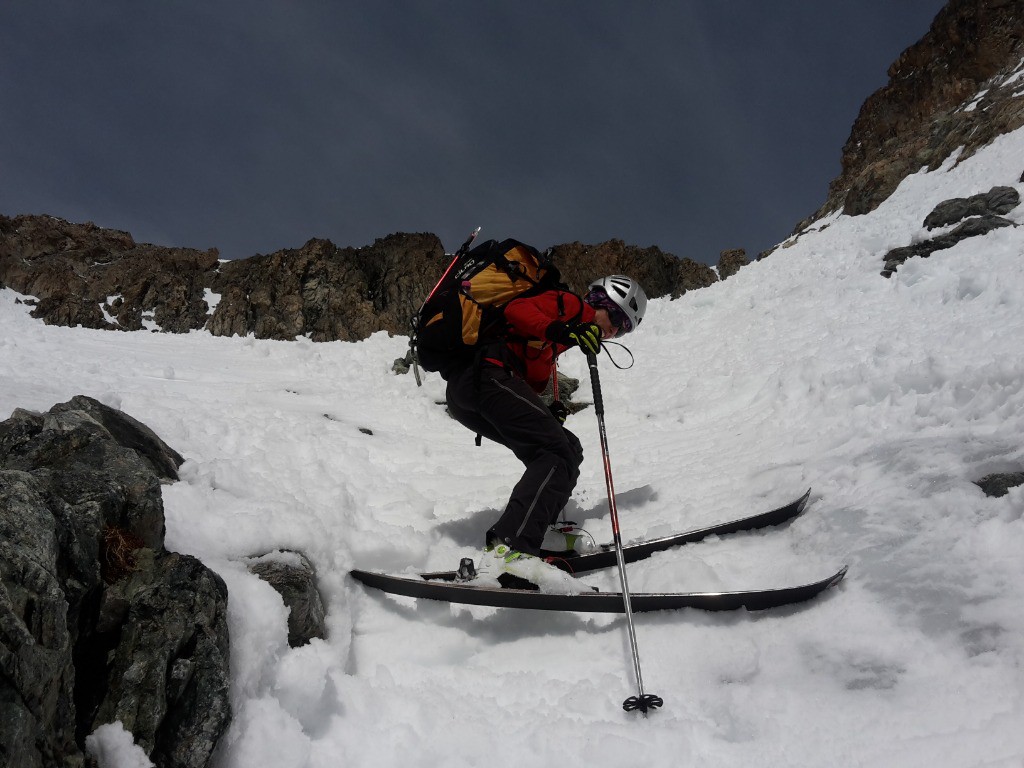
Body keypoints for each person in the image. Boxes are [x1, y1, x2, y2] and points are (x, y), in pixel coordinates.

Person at [441, 273, 648, 589]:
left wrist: (546, 409)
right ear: (602, 302)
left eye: (623, 330)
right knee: (554, 452)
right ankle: (509, 552)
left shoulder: (561, 339)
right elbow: (517, 312)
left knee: (567, 446)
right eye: (618, 319)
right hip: (483, 376)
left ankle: (537, 531)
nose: (615, 331)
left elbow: (530, 369)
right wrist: (562, 328)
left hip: (474, 390)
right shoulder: (567, 304)